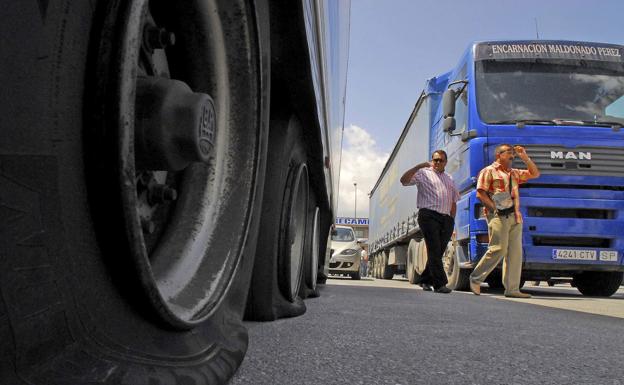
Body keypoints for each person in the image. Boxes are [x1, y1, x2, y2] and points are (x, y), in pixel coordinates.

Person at [469, 144, 540, 298]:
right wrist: (494, 209)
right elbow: (480, 193)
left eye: (512, 153)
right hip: (498, 216)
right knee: (498, 248)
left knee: (515, 253)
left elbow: (534, 174)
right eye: (508, 152)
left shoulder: (514, 173)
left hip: (515, 216)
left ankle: (512, 289)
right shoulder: (488, 171)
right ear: (498, 155)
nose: (512, 156)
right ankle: (476, 278)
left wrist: (525, 157)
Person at [400, 150, 459, 293]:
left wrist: (452, 219)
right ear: (432, 160)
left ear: (445, 162)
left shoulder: (449, 178)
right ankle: (439, 284)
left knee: (438, 251)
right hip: (428, 216)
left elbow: (453, 200)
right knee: (433, 248)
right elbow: (404, 181)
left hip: (446, 219)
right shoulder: (423, 173)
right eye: (435, 160)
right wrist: (417, 167)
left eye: (440, 160)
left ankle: (425, 279)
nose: (437, 162)